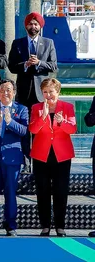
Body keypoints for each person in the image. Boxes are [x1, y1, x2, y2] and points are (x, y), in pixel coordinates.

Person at [29, 78, 75, 237]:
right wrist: (43, 117)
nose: (48, 95)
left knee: (60, 191)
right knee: (42, 191)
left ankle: (60, 226)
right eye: (45, 92)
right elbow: (33, 130)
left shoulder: (67, 107)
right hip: (41, 155)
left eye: (51, 92)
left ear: (58, 92)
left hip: (61, 156)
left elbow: (72, 129)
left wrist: (62, 122)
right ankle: (45, 226)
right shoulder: (36, 107)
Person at [0, 80, 28, 237]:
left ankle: (11, 226)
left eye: (8, 90)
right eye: (2, 90)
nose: (5, 93)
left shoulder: (21, 109)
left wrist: (9, 121)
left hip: (12, 159)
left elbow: (23, 131)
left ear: (14, 92)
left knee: (11, 193)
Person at [9, 12, 58, 107]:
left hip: (42, 91)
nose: (33, 26)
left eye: (36, 24)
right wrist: (25, 65)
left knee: (41, 120)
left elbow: (53, 66)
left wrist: (39, 63)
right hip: (23, 91)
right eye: (30, 24)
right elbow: (11, 66)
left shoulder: (48, 43)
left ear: (40, 26)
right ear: (26, 26)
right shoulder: (17, 43)